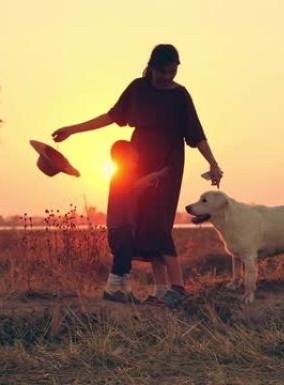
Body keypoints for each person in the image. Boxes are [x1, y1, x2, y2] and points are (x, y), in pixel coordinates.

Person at [52, 44, 223, 307]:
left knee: (158, 223)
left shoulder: (180, 96)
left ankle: (177, 289)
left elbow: (196, 133)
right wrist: (72, 130)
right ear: (152, 67)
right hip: (138, 162)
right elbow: (110, 116)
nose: (168, 77)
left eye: (173, 71)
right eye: (163, 72)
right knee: (143, 224)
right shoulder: (138, 89)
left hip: (168, 165)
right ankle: (160, 290)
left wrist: (213, 163)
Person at [103, 140, 168, 303]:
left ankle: (126, 292)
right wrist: (156, 175)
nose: (137, 155)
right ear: (124, 157)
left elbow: (134, 190)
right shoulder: (121, 173)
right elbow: (136, 186)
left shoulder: (123, 175)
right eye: (133, 153)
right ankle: (110, 290)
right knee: (122, 259)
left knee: (125, 261)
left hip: (126, 225)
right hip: (120, 226)